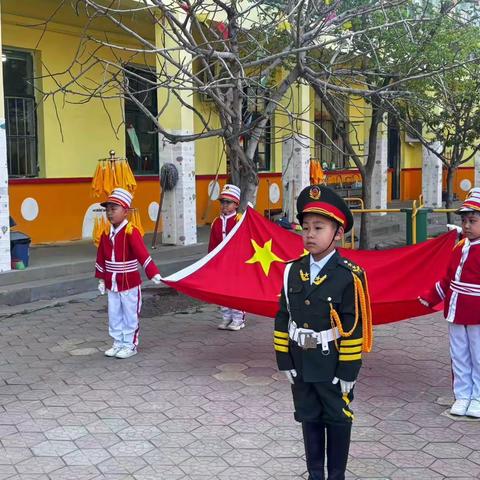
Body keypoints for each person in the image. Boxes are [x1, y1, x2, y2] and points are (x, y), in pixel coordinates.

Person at [274, 185, 372, 480]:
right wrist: (284, 360)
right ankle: (315, 474)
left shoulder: (349, 275)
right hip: (301, 362)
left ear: (338, 233)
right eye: (305, 228)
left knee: (338, 418)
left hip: (332, 365)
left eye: (319, 227)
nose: (310, 234)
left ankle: (336, 476)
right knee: (308, 416)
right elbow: (283, 316)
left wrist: (348, 371)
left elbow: (354, 328)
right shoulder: (292, 270)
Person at [418, 187, 480, 418]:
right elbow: (448, 279)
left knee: (478, 356)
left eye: (472, 221)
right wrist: (430, 296)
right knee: (459, 355)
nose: (466, 226)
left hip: (477, 313)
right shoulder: (458, 247)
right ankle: (462, 395)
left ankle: (478, 397)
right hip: (456, 311)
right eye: (464, 220)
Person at [95, 187, 161, 359]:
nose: (109, 213)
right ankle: (117, 343)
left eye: (114, 209)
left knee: (130, 314)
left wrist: (152, 272)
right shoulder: (104, 233)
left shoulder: (131, 232)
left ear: (125, 212)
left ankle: (130, 345)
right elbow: (101, 257)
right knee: (114, 313)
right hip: (112, 281)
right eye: (107, 209)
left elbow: (142, 254)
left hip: (129, 281)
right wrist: (101, 279)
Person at [208, 183, 246, 330]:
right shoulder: (216, 223)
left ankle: (238, 319)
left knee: (236, 291)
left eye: (228, 202)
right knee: (222, 291)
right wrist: (210, 262)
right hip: (220, 263)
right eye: (222, 202)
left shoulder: (240, 220)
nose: (224, 205)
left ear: (236, 204)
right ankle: (226, 317)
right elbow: (212, 245)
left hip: (236, 263)